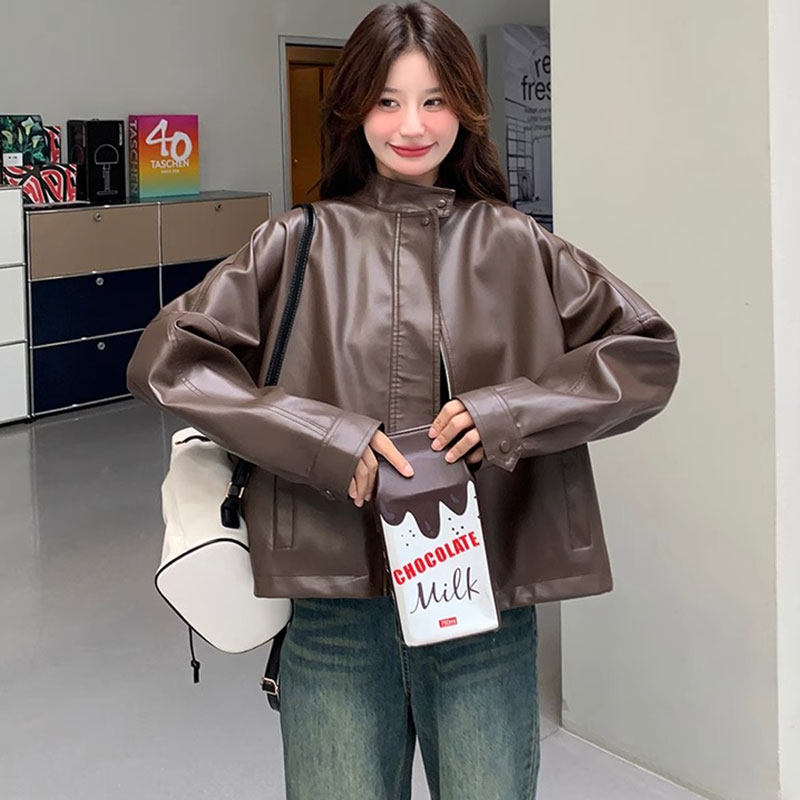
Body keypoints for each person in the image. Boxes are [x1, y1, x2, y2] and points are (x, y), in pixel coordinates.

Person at [127, 3, 679, 798]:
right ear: (355, 108)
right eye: (388, 100)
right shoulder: (296, 241)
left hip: (481, 605)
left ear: (466, 108)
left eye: (434, 99)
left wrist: (507, 414)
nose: (412, 125)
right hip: (335, 614)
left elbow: (645, 352)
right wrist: (321, 437)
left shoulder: (516, 243)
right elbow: (168, 359)